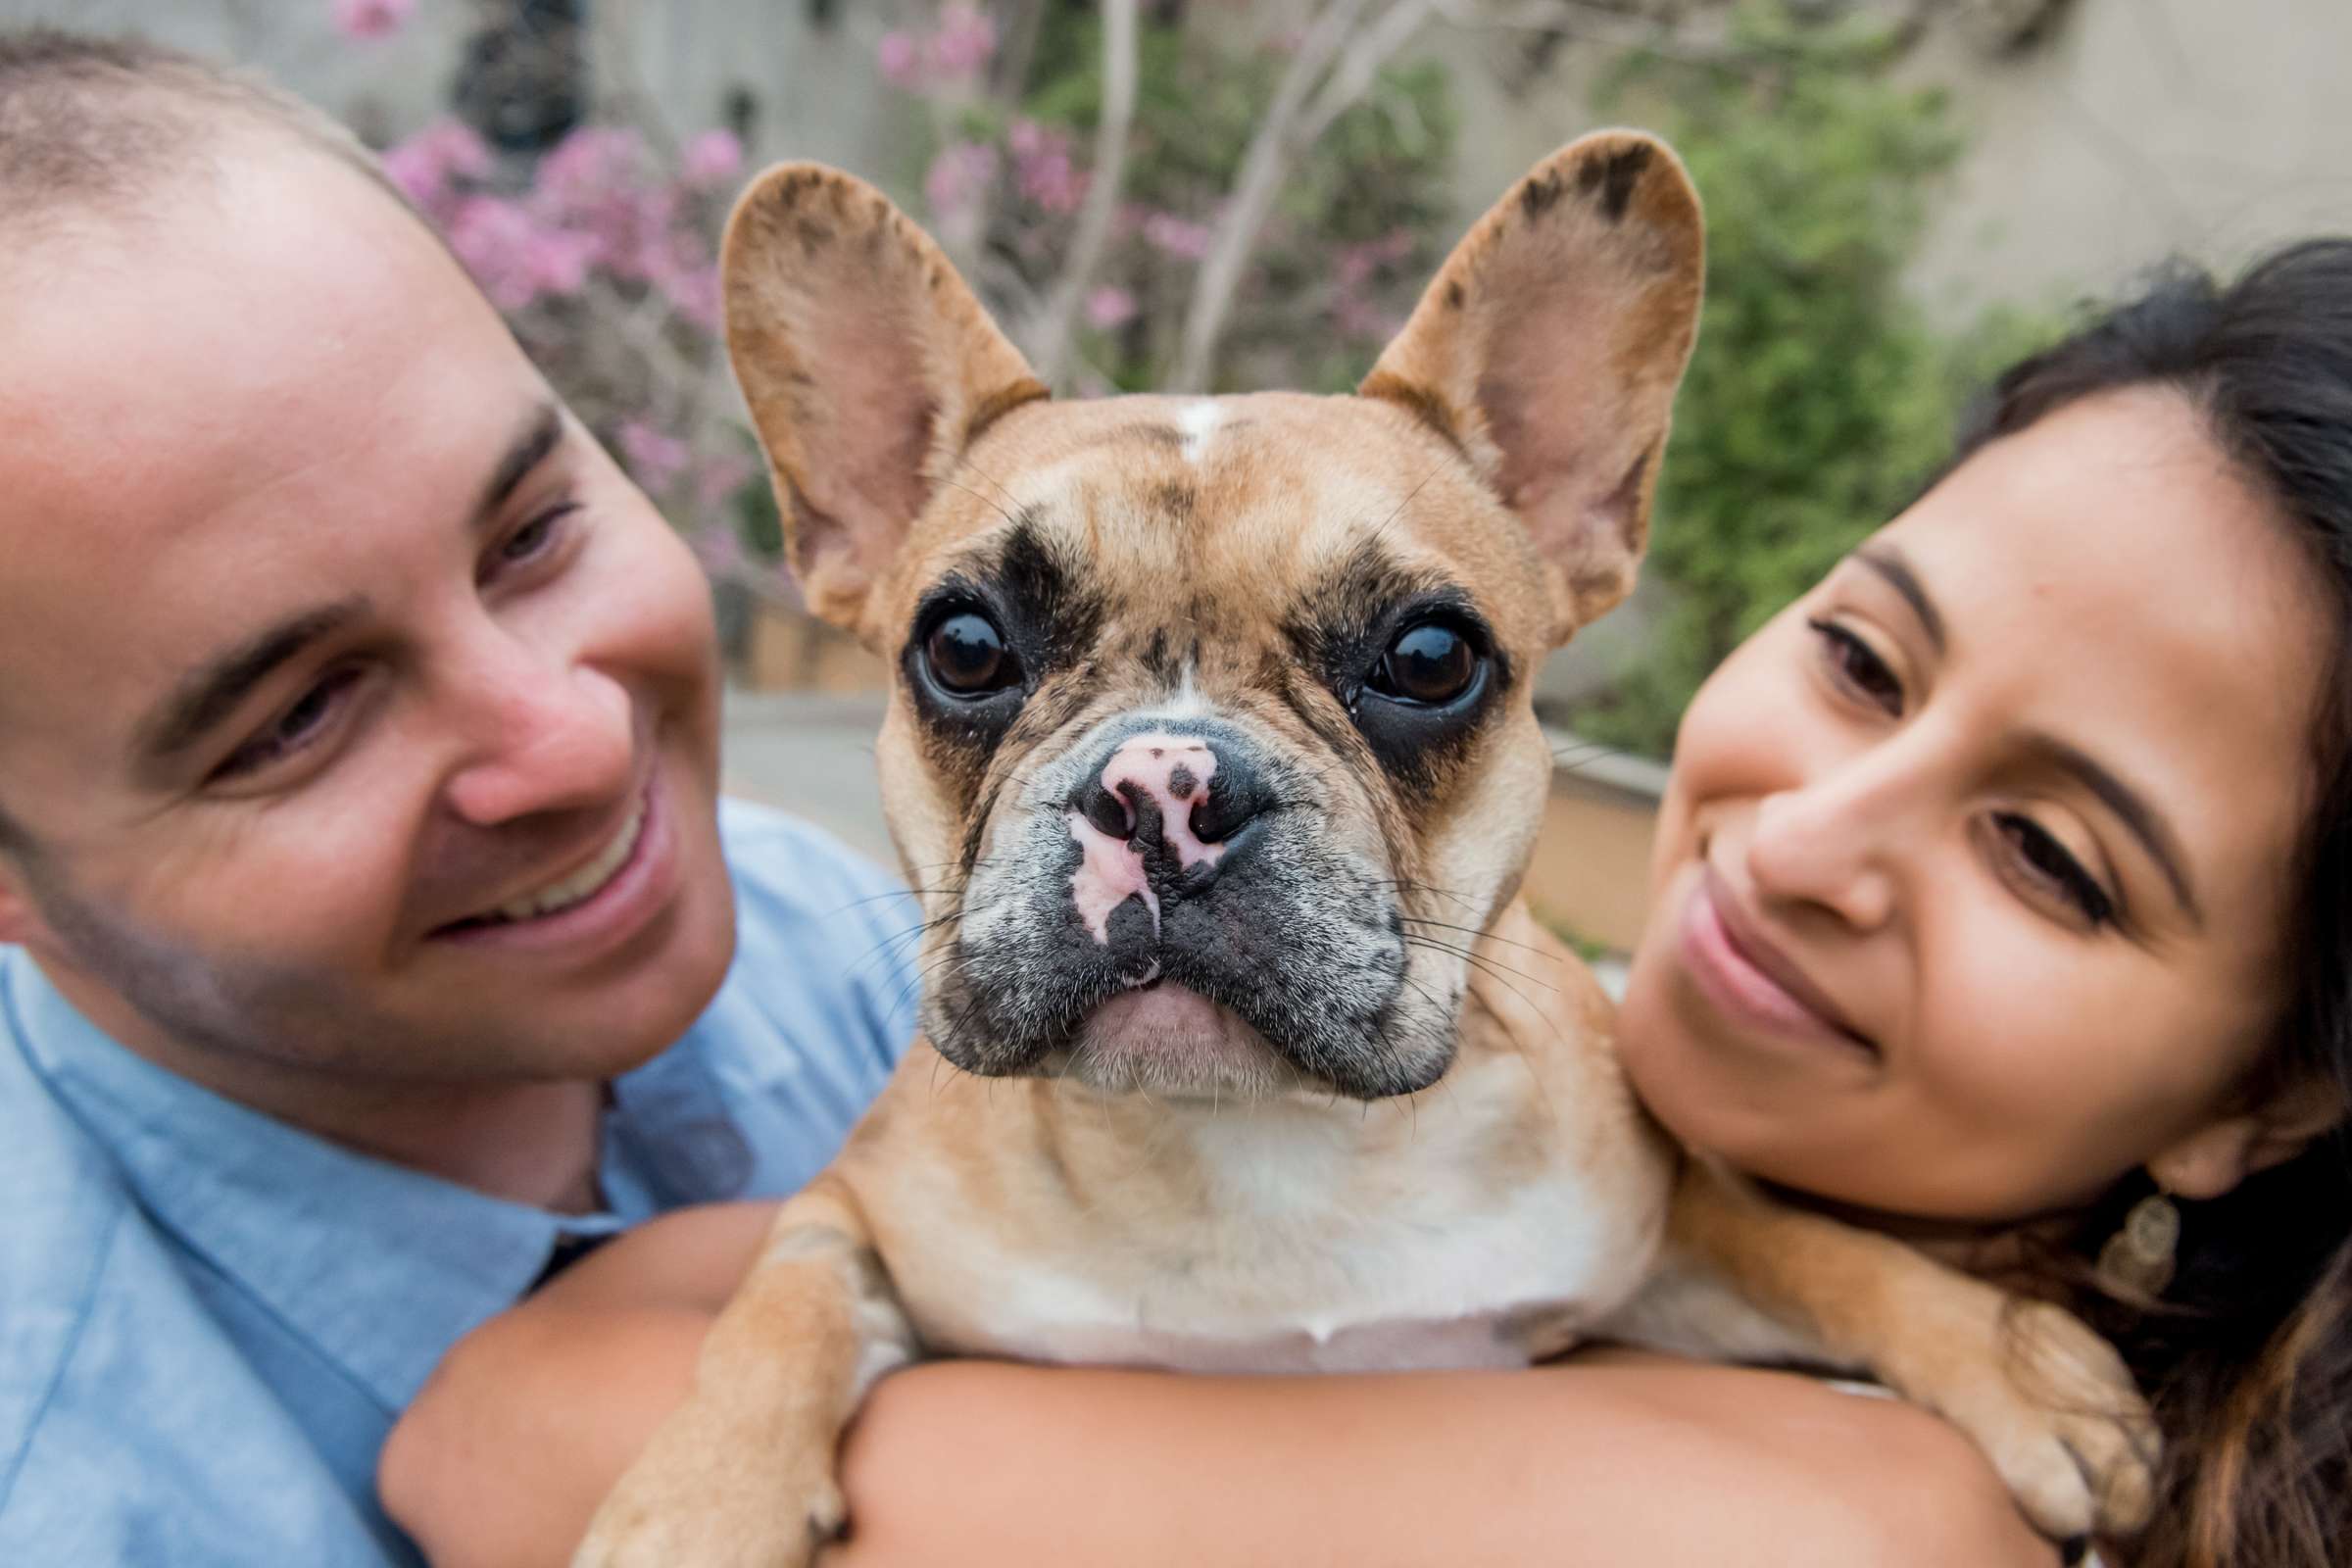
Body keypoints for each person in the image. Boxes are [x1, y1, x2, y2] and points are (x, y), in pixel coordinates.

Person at [380, 242, 2352, 1568]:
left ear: (2270, 1082)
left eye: (2057, 860)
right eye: (1861, 659)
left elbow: (508, 1429)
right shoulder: (1600, 1076)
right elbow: (517, 1398)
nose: (1809, 837)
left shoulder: (1909, 1508)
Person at [0, 32, 922, 1567]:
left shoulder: (840, 947)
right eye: (298, 716)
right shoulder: (78, 1493)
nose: (571, 741)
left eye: (533, 533)